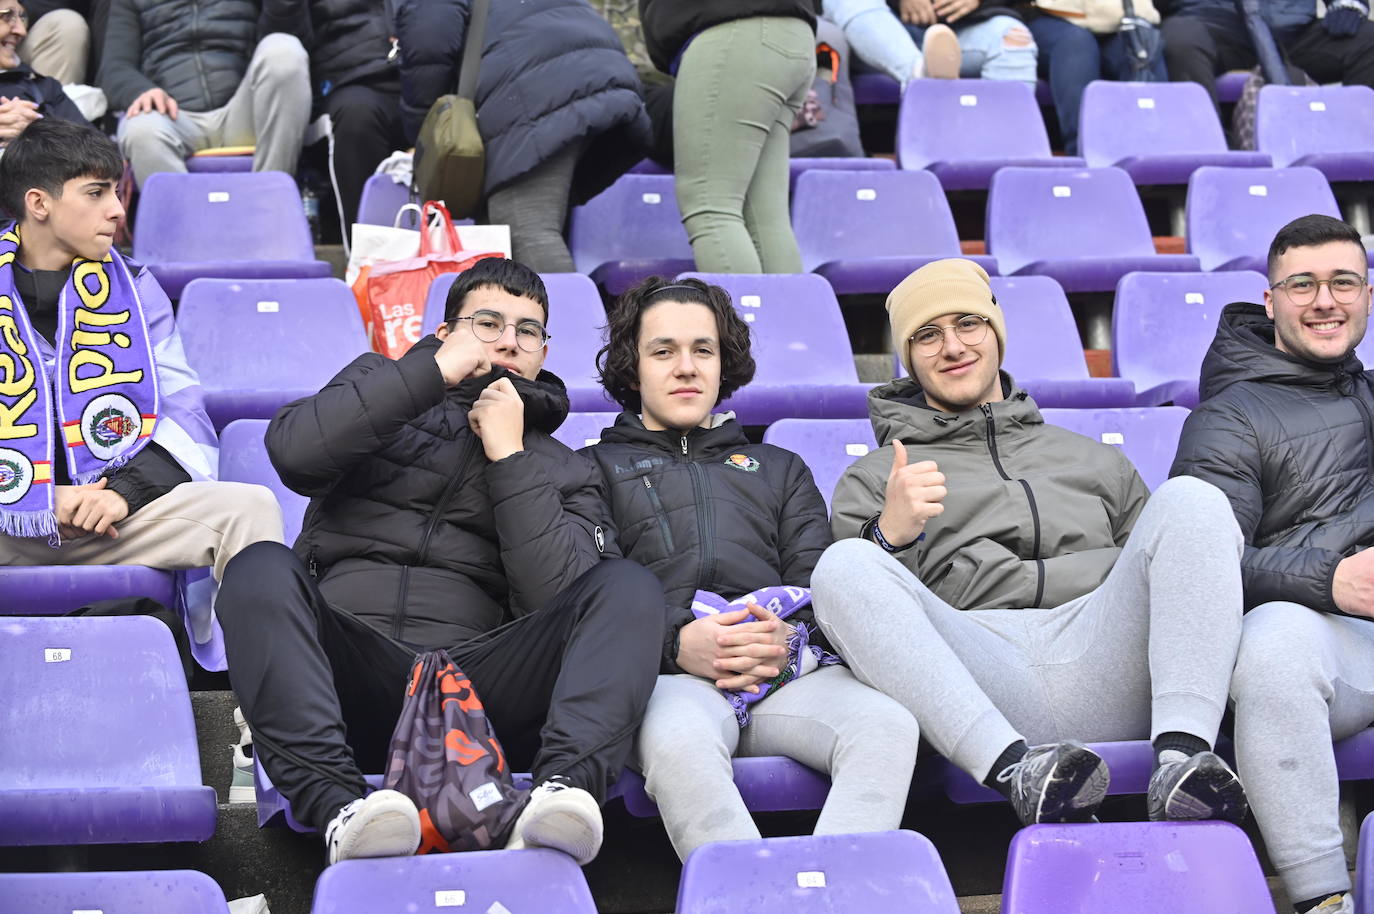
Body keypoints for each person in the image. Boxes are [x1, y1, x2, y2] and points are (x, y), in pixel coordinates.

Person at [215, 258, 666, 866]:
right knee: (258, 567)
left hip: (475, 694)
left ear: (542, 354)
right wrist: (429, 374)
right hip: (343, 671)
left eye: (527, 331)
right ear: (445, 332)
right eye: (487, 322)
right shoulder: (382, 381)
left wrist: (509, 455)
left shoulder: (568, 466)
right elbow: (295, 453)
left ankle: (563, 796)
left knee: (627, 588)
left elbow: (558, 598)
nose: (509, 339)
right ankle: (341, 809)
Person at [809, 257, 1250, 827]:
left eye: (967, 323)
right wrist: (888, 535)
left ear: (996, 332)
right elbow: (859, 624)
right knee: (846, 564)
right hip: (978, 681)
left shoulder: (1093, 459)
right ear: (908, 358)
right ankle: (1018, 773)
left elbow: (1160, 579)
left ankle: (1184, 759)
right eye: (926, 335)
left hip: (1106, 658)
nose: (952, 346)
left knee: (1194, 499)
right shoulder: (878, 477)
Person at [582, 277, 920, 860]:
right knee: (681, 744)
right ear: (632, 368)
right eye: (663, 351)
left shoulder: (780, 467)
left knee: (887, 725)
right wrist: (674, 643)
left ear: (723, 363)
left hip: (786, 673)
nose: (686, 367)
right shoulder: (590, 470)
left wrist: (789, 639)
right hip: (666, 682)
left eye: (703, 350)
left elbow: (823, 582)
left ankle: (837, 901)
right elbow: (588, 591)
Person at [1171, 215, 1374, 914]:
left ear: (1368, 295)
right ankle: (1324, 896)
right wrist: (1329, 580)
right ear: (1270, 301)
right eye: (1303, 285)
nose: (1325, 301)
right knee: (1275, 644)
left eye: (1343, 282)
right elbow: (1201, 571)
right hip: (1332, 640)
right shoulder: (1228, 417)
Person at [0, 118, 281, 585]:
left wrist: (123, 494)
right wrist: (39, 498)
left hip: (112, 523)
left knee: (249, 509)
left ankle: (237, 661)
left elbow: (183, 415)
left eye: (116, 192)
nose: (117, 211)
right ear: (39, 203)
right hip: (8, 523)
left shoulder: (137, 289)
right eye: (96, 193)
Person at [395, 0, 650, 274]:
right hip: (585, 69)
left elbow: (429, 44)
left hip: (541, 82)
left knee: (525, 226)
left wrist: (422, 132)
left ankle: (569, 317)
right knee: (504, 231)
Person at [638, 0, 816, 274]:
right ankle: (784, 317)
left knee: (711, 208)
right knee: (766, 217)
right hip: (790, 31)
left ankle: (741, 318)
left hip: (731, 33)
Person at [99, 0, 311, 187]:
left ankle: (270, 201)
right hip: (174, 117)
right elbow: (114, 68)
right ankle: (184, 228)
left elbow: (287, 40)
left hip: (241, 112)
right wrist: (141, 90)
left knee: (285, 51)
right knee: (141, 129)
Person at [277, 0, 405, 234]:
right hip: (348, 83)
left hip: (422, 74)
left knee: (454, 116)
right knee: (358, 116)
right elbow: (281, 41)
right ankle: (367, 260)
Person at [1159, 0, 1374, 109]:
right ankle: (1203, 157)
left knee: (1368, 40)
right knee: (1179, 39)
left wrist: (1348, 4)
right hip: (1213, 27)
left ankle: (1356, 167)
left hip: (1292, 32)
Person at [1022, 0, 1166, 155]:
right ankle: (1087, 161)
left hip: (1126, 22)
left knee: (1142, 50)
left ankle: (1155, 162)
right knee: (1076, 45)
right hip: (1050, 18)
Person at [0, 0, 93, 147]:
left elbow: (100, 153)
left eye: (22, 18)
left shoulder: (44, 87)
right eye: (7, 16)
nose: (21, 31)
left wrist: (39, 133)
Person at [822, 0, 962, 86]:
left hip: (955, 32)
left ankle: (980, 131)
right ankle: (921, 74)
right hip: (873, 35)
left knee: (983, 39)